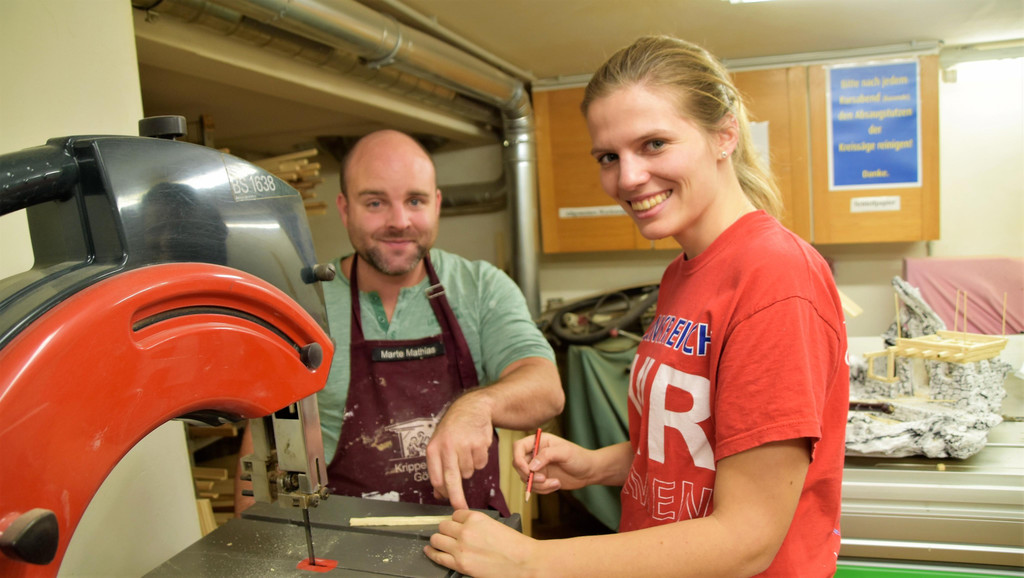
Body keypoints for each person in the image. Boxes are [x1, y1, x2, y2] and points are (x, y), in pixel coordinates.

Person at [424, 35, 849, 577]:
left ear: (724, 135)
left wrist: (531, 560)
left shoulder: (775, 277)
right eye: (609, 156)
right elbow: (695, 449)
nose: (626, 178)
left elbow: (747, 539)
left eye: (654, 144)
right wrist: (593, 466)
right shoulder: (681, 275)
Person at [317, 129, 562, 515]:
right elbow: (266, 443)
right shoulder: (306, 302)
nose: (399, 221)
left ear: (437, 204)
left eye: (415, 200)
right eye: (375, 202)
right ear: (345, 209)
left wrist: (477, 406)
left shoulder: (479, 287)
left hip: (469, 535)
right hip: (342, 541)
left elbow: (546, 389)